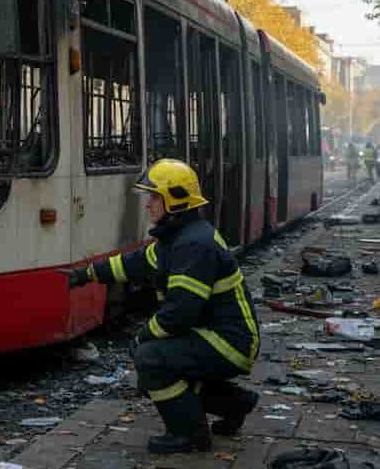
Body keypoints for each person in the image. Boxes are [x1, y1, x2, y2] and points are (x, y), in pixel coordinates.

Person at [68, 159, 259, 454]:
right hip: (221, 336)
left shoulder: (193, 245)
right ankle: (235, 404)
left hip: (229, 342)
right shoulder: (180, 238)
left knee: (151, 360)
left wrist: (145, 335)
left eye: (154, 197)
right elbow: (134, 263)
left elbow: (180, 311)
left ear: (176, 200)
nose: (148, 205)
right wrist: (87, 274)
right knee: (158, 360)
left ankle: (190, 435)